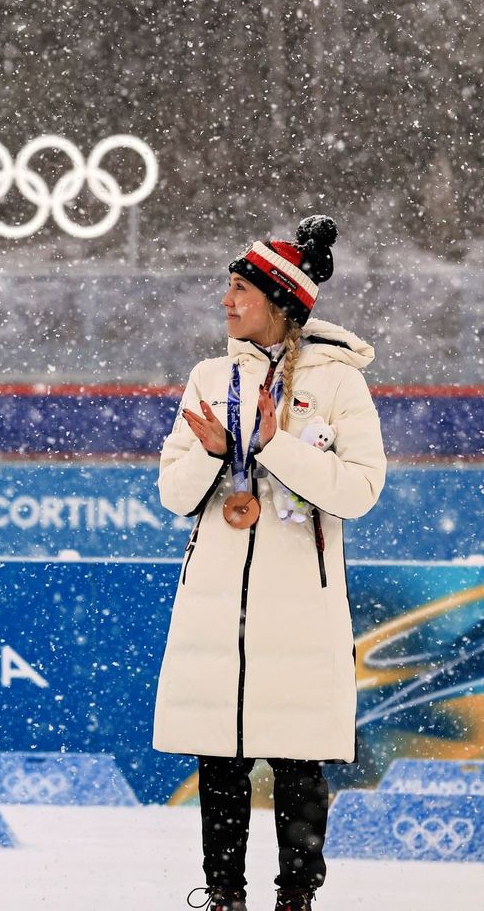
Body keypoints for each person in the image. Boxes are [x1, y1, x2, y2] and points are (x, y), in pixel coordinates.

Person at [152, 216, 386, 911]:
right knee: (218, 761)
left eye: (238, 289)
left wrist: (269, 443)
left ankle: (296, 898)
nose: (225, 301)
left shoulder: (340, 385)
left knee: (296, 761)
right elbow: (173, 494)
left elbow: (359, 491)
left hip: (298, 608)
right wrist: (219, 450)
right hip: (216, 606)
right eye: (226, 288)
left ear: (280, 301)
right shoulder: (208, 376)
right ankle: (223, 894)